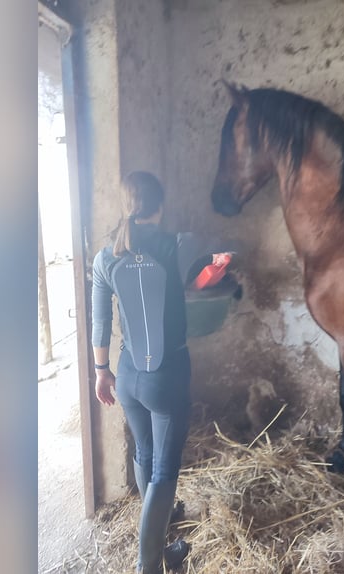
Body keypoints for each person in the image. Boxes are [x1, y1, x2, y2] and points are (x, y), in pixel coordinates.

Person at [91, 171, 228, 573]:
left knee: (145, 454)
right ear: (160, 205)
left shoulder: (105, 255)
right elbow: (205, 276)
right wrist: (220, 266)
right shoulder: (178, 246)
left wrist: (101, 372)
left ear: (127, 205)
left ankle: (162, 539)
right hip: (166, 376)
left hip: (128, 373)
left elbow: (100, 323)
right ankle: (149, 565)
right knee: (165, 468)